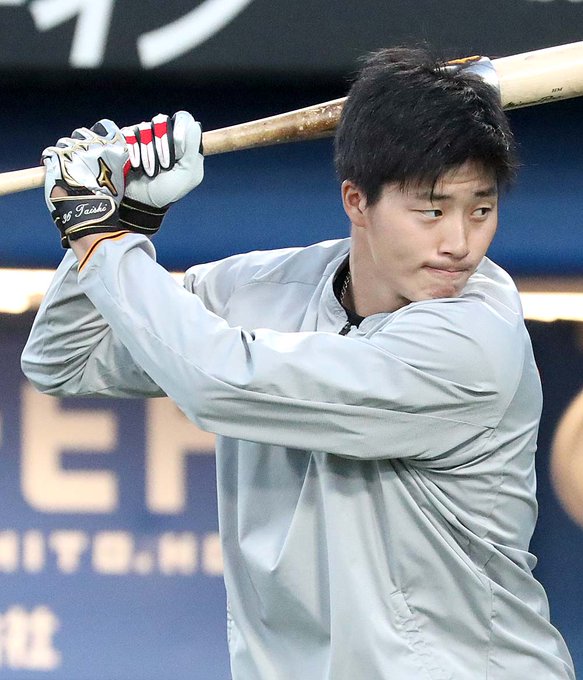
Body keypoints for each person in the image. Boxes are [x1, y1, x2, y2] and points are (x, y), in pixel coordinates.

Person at [21, 46, 575, 679]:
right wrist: (129, 218)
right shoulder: (268, 288)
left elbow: (222, 382)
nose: (459, 243)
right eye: (431, 210)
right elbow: (66, 357)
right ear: (357, 201)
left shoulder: (474, 341)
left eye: (481, 210)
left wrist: (99, 232)